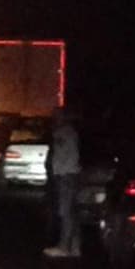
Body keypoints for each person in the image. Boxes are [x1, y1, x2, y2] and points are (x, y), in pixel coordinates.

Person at [43, 107, 81, 258]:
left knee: (66, 212)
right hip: (70, 174)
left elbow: (62, 155)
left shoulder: (64, 133)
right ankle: (75, 247)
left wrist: (58, 174)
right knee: (72, 212)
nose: (54, 118)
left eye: (56, 116)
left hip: (66, 176)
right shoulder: (70, 132)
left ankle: (64, 247)